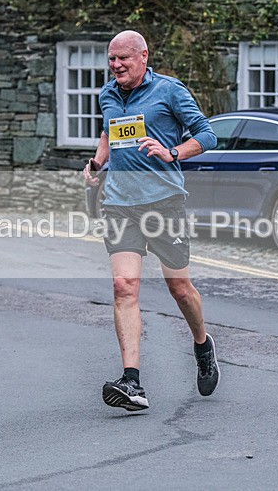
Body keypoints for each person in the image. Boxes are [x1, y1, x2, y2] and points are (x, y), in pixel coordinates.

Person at [82, 30, 220, 411]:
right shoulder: (108, 94)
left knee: (179, 288)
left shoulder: (171, 91)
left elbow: (208, 135)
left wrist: (171, 151)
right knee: (124, 286)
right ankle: (132, 382)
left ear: (144, 56)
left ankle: (202, 344)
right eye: (111, 60)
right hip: (119, 203)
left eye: (123, 58)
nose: (116, 66)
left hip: (163, 203)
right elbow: (109, 133)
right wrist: (97, 163)